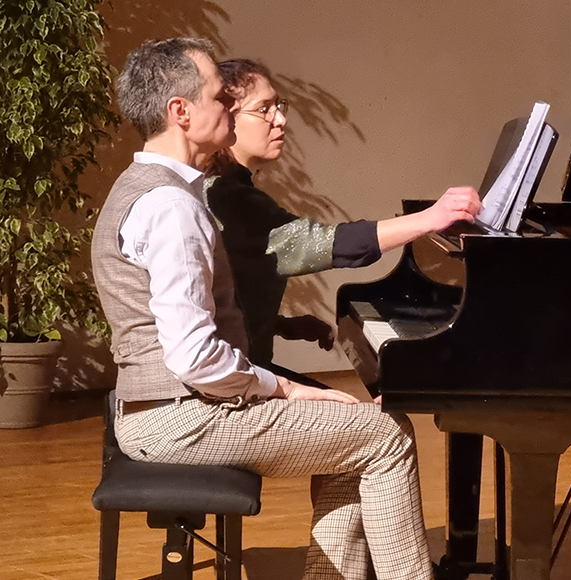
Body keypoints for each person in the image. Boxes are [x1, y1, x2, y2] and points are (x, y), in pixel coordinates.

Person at [91, 37, 480, 580]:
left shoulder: (139, 188)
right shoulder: (175, 206)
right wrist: (287, 387)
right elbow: (195, 358)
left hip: (156, 408)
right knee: (386, 437)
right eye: (218, 97)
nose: (227, 106)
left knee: (355, 427)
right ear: (180, 111)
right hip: (179, 416)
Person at [201, 58, 479, 370]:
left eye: (278, 105)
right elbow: (324, 244)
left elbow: (221, 296)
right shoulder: (230, 197)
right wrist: (429, 218)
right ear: (226, 117)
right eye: (263, 109)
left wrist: (280, 325)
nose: (280, 119)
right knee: (387, 421)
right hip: (239, 381)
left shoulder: (221, 188)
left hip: (244, 369)